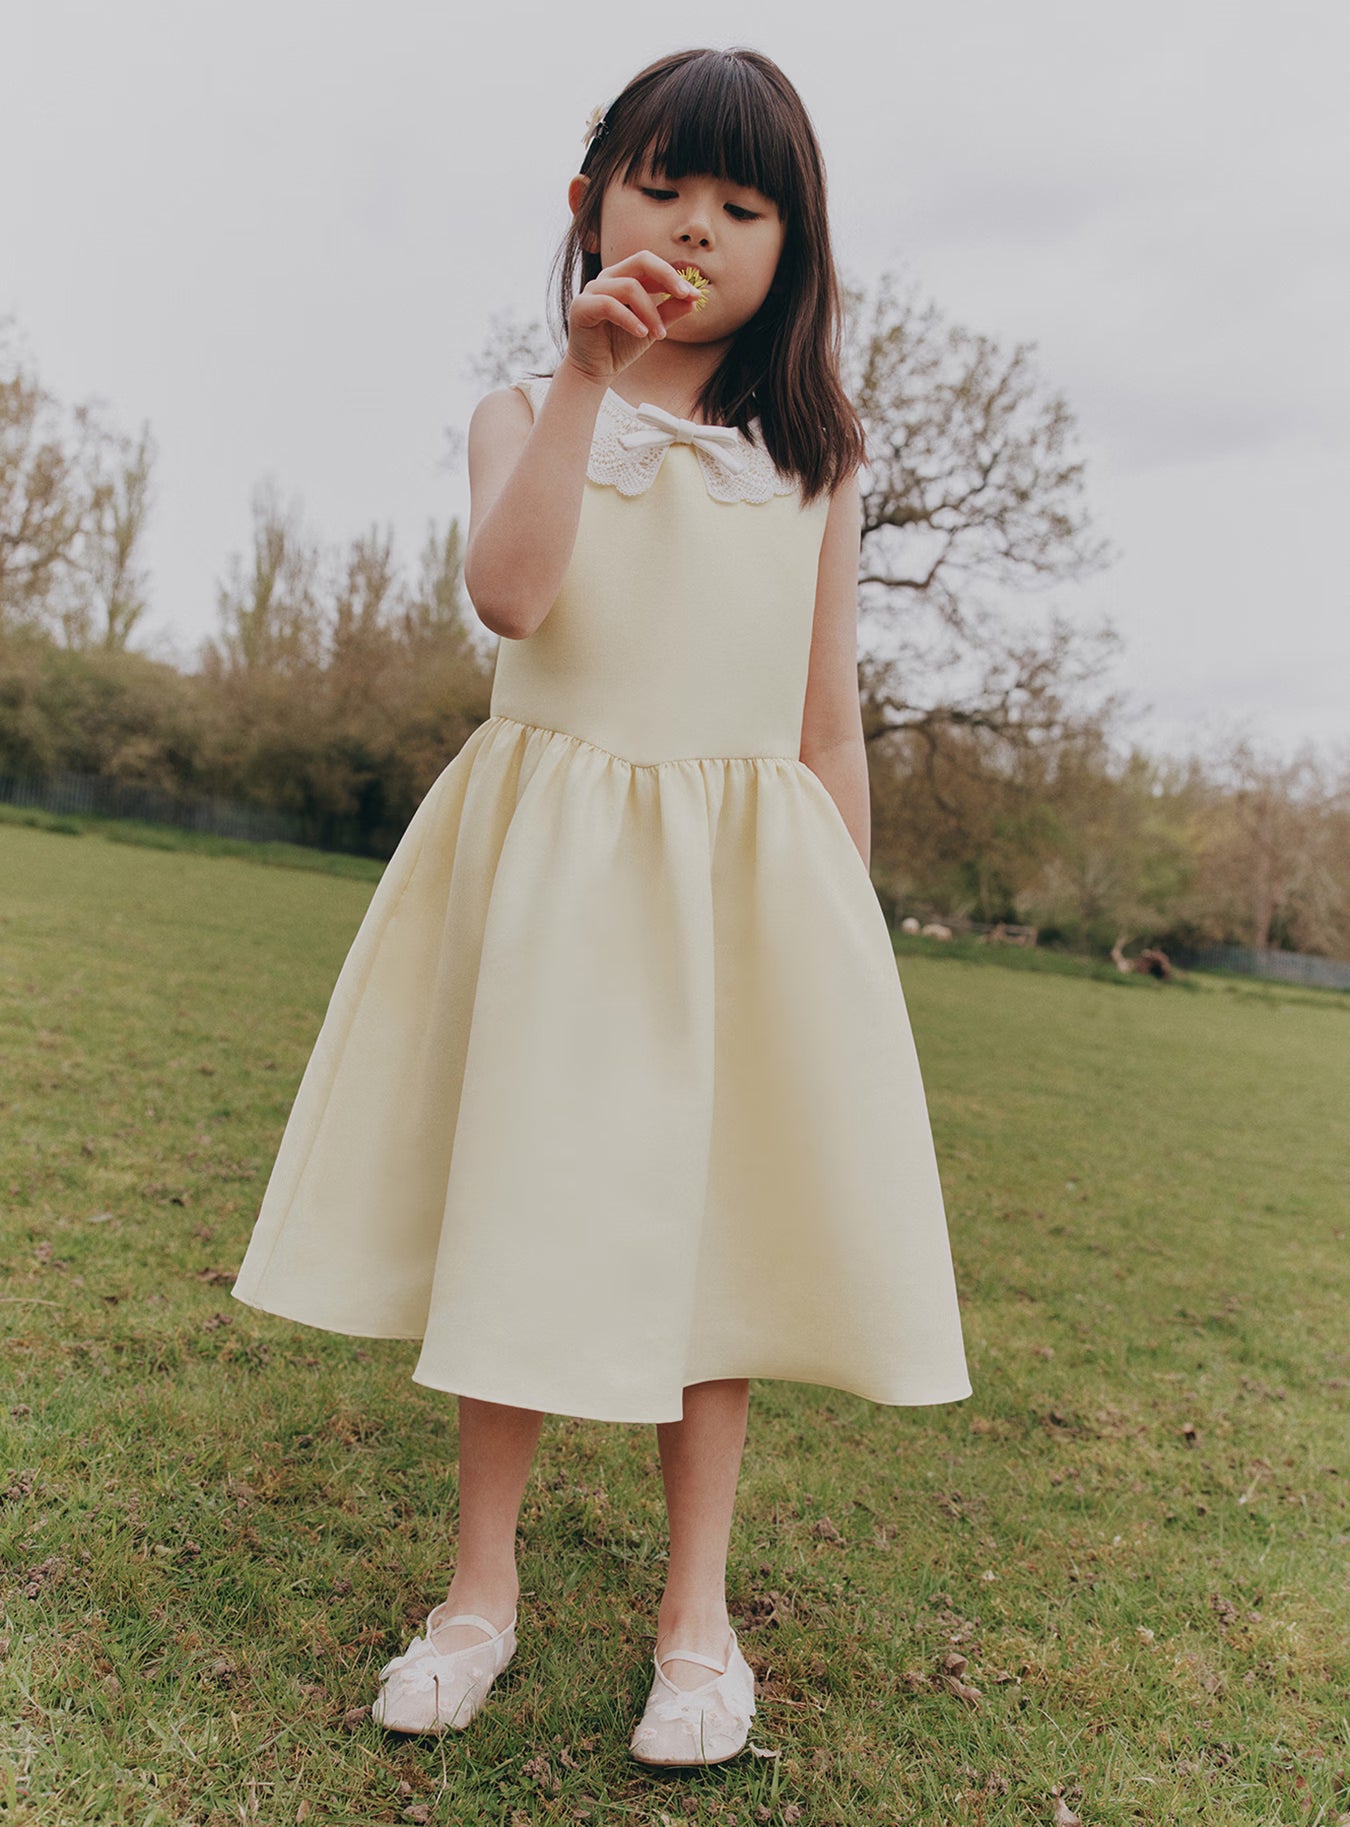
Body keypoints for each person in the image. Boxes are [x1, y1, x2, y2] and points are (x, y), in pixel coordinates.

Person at [230, 44, 972, 1768]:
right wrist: (583, 379)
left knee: (707, 1253)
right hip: (553, 881)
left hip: (736, 896)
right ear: (587, 207)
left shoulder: (814, 462)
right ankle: (475, 1592)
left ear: (797, 249)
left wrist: (840, 956)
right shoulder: (520, 413)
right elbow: (513, 593)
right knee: (525, 1216)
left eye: (742, 204)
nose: (696, 229)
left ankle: (696, 1622)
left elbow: (822, 723)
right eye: (660, 186)